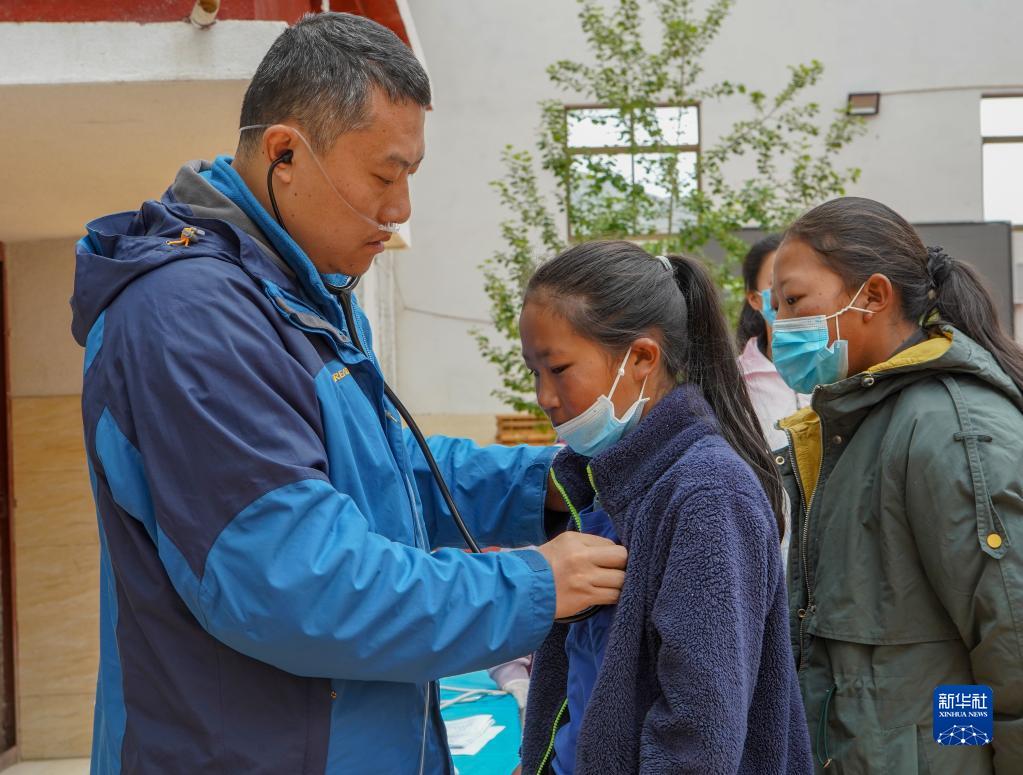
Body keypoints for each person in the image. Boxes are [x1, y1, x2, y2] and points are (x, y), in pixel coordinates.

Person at [71, 13, 627, 775]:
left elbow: (394, 475)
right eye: (383, 176)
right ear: (285, 153)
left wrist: (554, 482)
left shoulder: (304, 299)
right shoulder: (191, 319)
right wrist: (532, 584)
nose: (399, 210)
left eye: (409, 178)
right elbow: (298, 583)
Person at [516, 241, 813, 774]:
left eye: (558, 369)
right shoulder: (602, 480)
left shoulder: (707, 494)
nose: (544, 396)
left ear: (641, 359)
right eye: (534, 372)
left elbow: (698, 737)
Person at [771, 196, 1023, 773]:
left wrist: (959, 752)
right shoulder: (855, 425)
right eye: (775, 305)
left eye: (794, 301)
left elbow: (1005, 642)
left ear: (874, 296)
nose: (780, 324)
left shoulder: (945, 427)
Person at [736, 233, 810, 451]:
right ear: (754, 299)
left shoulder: (840, 366)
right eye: (776, 283)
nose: (792, 293)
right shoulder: (735, 381)